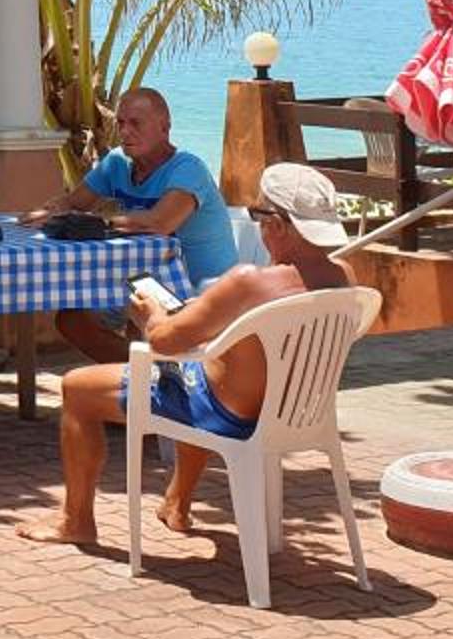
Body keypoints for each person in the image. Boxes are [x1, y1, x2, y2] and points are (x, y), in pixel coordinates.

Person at [21, 160, 354, 551]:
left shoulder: (248, 282)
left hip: (227, 414)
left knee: (77, 388)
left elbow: (164, 341)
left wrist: (149, 314)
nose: (260, 228)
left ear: (278, 225)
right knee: (197, 373)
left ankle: (75, 520)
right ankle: (177, 502)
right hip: (294, 412)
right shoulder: (345, 277)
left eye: (259, 216)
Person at [36, 86, 239, 359]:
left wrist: (96, 221)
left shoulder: (188, 169)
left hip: (202, 291)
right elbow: (74, 202)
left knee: (140, 306)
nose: (125, 131)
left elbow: (160, 222)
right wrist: (49, 211)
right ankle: (145, 371)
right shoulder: (117, 162)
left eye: (135, 123)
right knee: (72, 320)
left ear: (164, 127)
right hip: (142, 282)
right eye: (120, 123)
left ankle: (149, 370)